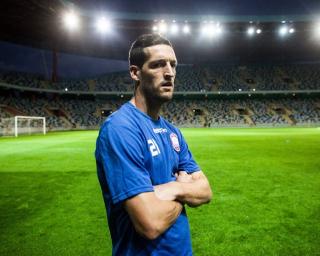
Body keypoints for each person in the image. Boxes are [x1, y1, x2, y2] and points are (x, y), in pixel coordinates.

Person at [95, 33, 212, 255]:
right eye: (158, 65)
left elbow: (205, 191)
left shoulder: (172, 132)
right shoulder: (121, 128)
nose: (169, 73)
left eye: (173, 65)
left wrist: (171, 189)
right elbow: (150, 223)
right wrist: (185, 191)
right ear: (135, 73)